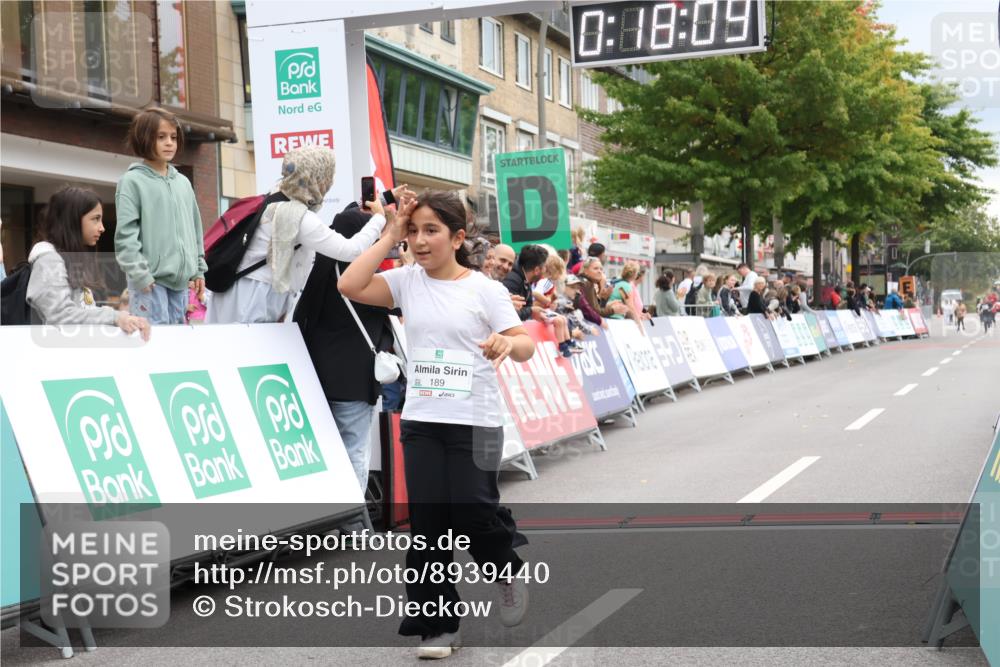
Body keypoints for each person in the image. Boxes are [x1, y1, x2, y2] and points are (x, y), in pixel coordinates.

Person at [338, 190, 535, 659]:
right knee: (428, 526)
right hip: (423, 421)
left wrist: (507, 344)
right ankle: (437, 626)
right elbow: (349, 284)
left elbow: (525, 343)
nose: (420, 241)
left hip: (476, 422)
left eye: (432, 231)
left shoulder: (484, 289)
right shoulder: (407, 281)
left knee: (472, 514)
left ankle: (505, 570)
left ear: (458, 238)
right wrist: (389, 232)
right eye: (414, 231)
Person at [293, 203, 404, 493]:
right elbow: (402, 304)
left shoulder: (317, 271)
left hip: (314, 377)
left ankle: (327, 512)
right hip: (354, 381)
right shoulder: (364, 279)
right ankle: (353, 517)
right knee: (354, 449)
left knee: (324, 453)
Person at [206, 146, 386, 323]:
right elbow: (351, 250)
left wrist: (386, 198)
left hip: (235, 292)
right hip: (254, 300)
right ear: (319, 179)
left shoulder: (274, 199)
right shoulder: (298, 217)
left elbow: (325, 231)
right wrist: (379, 218)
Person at [115, 108, 205, 325]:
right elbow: (125, 236)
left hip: (181, 285)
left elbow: (195, 229)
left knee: (176, 342)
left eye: (173, 137)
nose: (169, 143)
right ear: (144, 138)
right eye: (161, 137)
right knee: (153, 341)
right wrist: (140, 274)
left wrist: (199, 270)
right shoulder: (131, 182)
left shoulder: (183, 183)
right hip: (149, 283)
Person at [27, 186, 150, 339]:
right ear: (72, 220)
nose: (102, 228)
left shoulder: (67, 259)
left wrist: (121, 317)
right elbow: (61, 316)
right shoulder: (48, 260)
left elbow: (82, 311)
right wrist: (114, 317)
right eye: (95, 219)